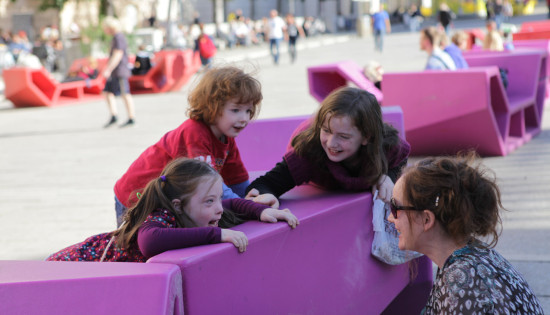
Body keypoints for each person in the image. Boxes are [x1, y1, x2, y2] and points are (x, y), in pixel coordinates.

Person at [47, 158, 299, 262]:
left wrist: (260, 211)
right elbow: (149, 242)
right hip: (79, 263)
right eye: (208, 202)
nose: (218, 209)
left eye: (216, 199)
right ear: (179, 205)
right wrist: (218, 235)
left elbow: (231, 204)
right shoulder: (163, 216)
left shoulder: (197, 210)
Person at [388, 153, 544, 314]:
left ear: (426, 219)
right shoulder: (469, 257)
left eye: (395, 208)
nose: (390, 217)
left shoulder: (463, 284)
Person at [113, 65, 264, 226]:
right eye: (235, 110)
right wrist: (249, 208)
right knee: (136, 245)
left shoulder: (226, 137)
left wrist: (250, 199)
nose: (244, 118)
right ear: (212, 105)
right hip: (136, 196)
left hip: (168, 199)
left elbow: (237, 180)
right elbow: (208, 185)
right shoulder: (194, 133)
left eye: (248, 111)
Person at [245, 87, 410, 205]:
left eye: (343, 136)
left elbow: (400, 159)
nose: (331, 143)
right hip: (308, 142)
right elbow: (265, 183)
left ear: (367, 137)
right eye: (327, 131)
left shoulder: (387, 146)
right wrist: (264, 195)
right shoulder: (309, 153)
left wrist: (388, 176)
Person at [101, 16, 136, 128]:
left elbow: (118, 54)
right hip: (115, 72)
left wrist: (108, 69)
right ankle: (114, 115)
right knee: (107, 92)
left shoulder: (118, 37)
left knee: (125, 93)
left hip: (119, 71)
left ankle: (131, 117)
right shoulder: (115, 37)